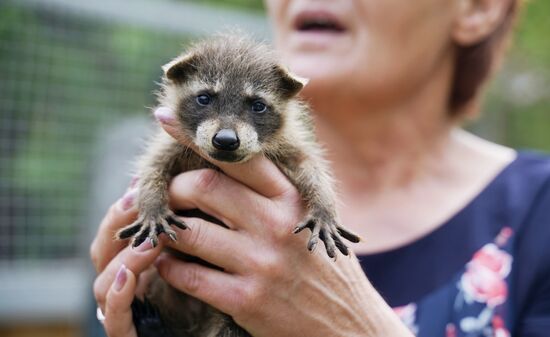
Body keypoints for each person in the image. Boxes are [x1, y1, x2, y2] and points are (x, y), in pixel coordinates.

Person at [90, 0, 550, 336]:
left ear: (478, 7)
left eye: (254, 107)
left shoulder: (537, 215)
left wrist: (357, 327)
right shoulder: (159, 206)